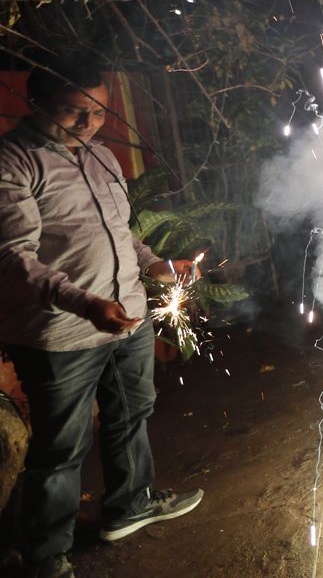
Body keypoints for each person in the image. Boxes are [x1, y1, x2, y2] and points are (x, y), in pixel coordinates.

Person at [0, 62, 203, 578]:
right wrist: (84, 303)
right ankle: (45, 556)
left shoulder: (103, 155)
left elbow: (119, 232)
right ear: (38, 103)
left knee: (131, 414)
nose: (90, 122)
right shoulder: (12, 163)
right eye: (74, 110)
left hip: (127, 318)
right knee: (61, 447)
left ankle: (127, 507)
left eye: (98, 109)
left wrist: (155, 263)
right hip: (60, 335)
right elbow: (13, 257)